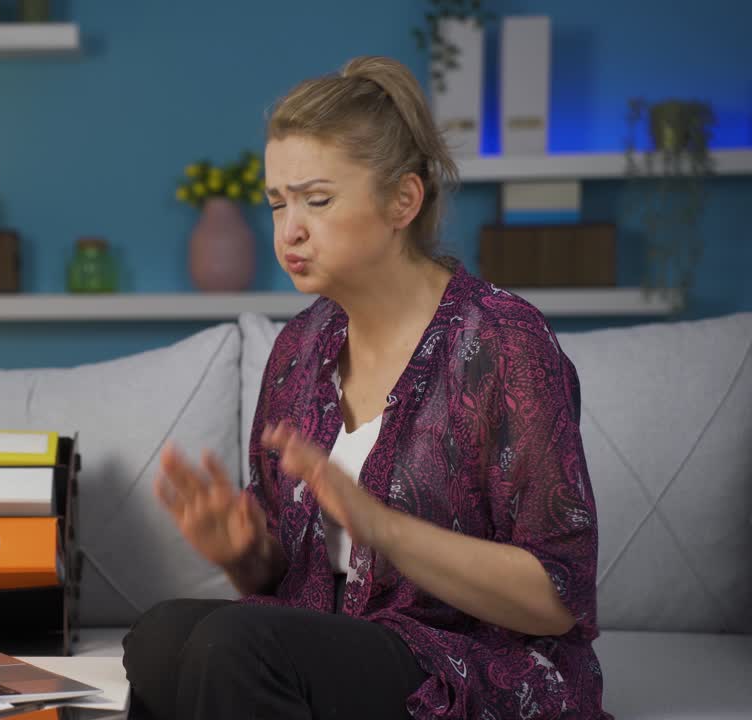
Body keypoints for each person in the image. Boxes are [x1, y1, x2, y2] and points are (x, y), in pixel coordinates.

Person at [122, 56, 609, 720]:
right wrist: (243, 554)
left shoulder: (504, 343)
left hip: (467, 659)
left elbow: (555, 599)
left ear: (402, 201)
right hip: (344, 650)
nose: (289, 229)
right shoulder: (299, 349)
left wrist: (380, 524)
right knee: (161, 638)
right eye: (278, 203)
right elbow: (280, 581)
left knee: (236, 645)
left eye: (317, 200)